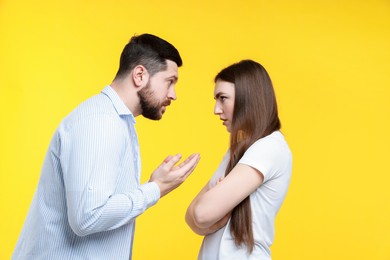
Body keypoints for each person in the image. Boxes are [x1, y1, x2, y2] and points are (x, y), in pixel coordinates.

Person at [13, 33, 200, 260]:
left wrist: (154, 185)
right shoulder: (100, 122)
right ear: (140, 75)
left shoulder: (118, 123)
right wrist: (155, 189)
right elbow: (87, 217)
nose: (173, 95)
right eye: (170, 82)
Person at [186, 59, 292, 260]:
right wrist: (207, 214)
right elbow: (191, 217)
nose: (216, 110)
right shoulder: (238, 149)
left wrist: (208, 213)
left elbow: (200, 213)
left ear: (248, 98)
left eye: (223, 98)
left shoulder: (269, 147)